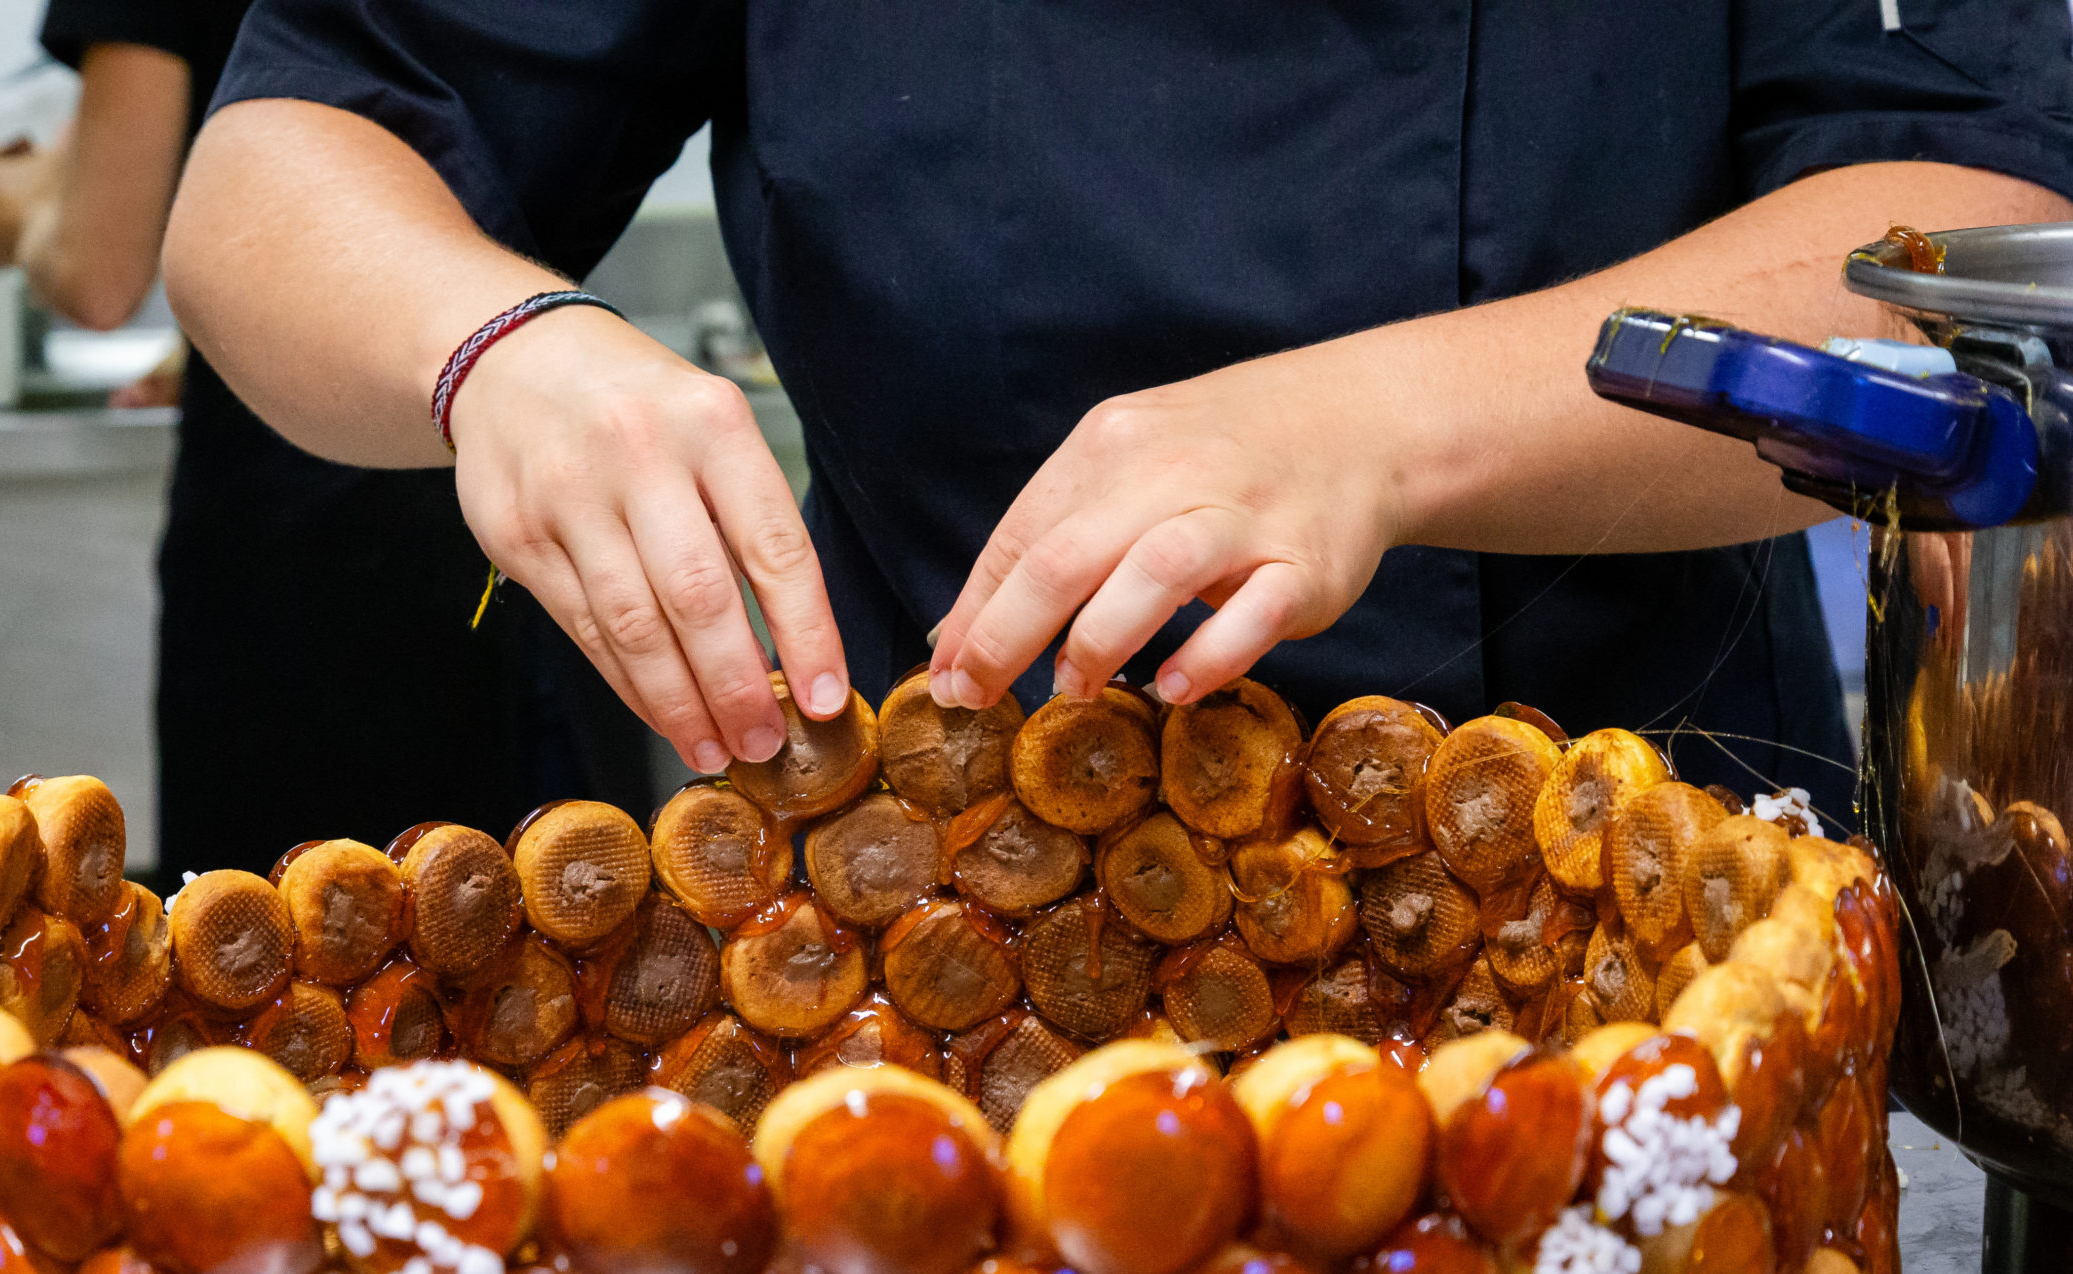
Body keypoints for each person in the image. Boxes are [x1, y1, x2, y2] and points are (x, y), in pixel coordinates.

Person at [160, 1, 2073, 826]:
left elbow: (1982, 238)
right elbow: (271, 173)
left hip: (1633, 864)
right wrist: (499, 344)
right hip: (939, 901)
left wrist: (1388, 423)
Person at [0, 1, 650, 880]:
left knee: (281, 968)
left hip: (311, 559)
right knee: (551, 945)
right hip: (541, 488)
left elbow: (100, 266)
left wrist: (27, 215)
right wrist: (230, 327)